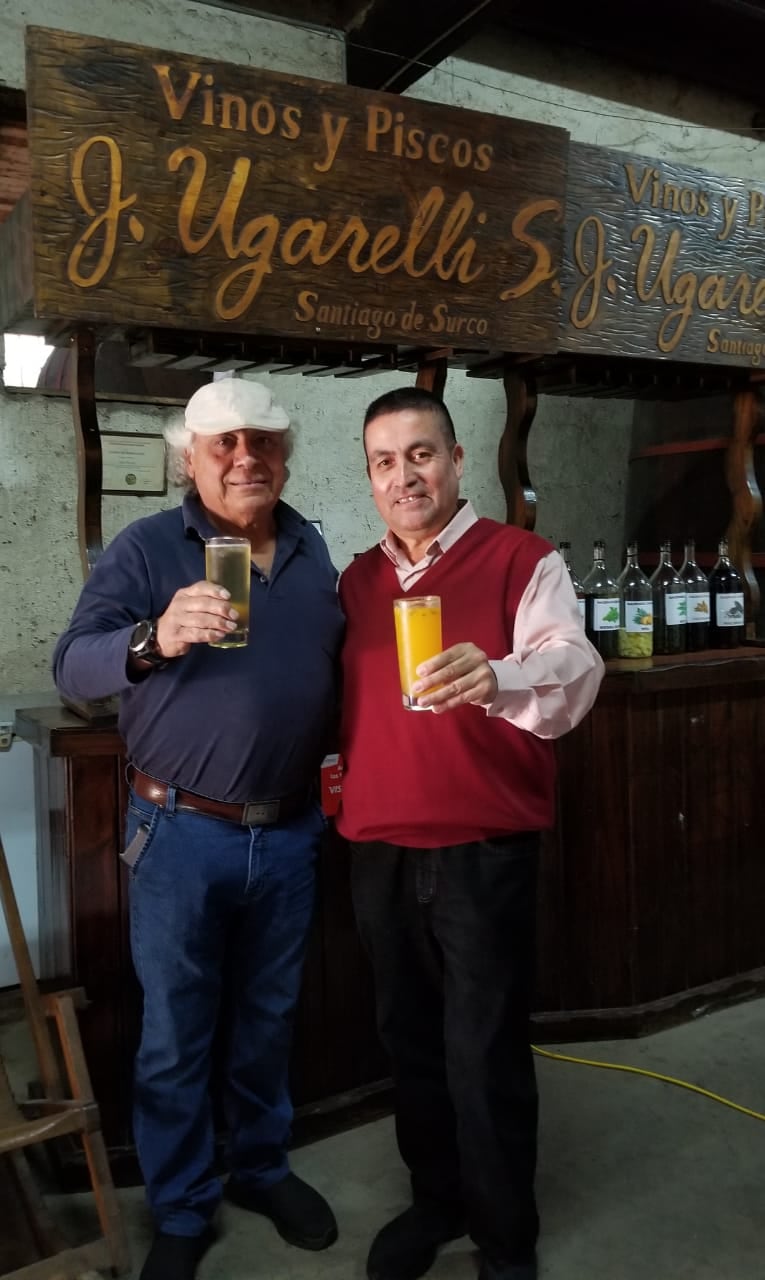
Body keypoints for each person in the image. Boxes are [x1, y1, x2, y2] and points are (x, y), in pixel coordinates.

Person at [52, 378, 343, 1280]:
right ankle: (181, 1207)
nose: (245, 457)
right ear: (191, 456)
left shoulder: (312, 547)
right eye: (224, 443)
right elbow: (72, 666)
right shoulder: (148, 548)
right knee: (176, 1031)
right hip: (180, 832)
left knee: (268, 1018)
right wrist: (153, 637)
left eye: (262, 440)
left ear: (285, 454)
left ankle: (259, 1168)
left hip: (291, 831)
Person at [337, 386, 604, 1280]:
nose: (403, 475)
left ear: (455, 460)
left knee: (482, 1049)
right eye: (384, 461)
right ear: (369, 479)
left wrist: (497, 675)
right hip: (377, 844)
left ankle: (503, 1235)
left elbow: (572, 665)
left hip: (482, 847)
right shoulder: (358, 579)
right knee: (408, 1041)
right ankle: (435, 1202)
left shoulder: (519, 559)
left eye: (420, 454)